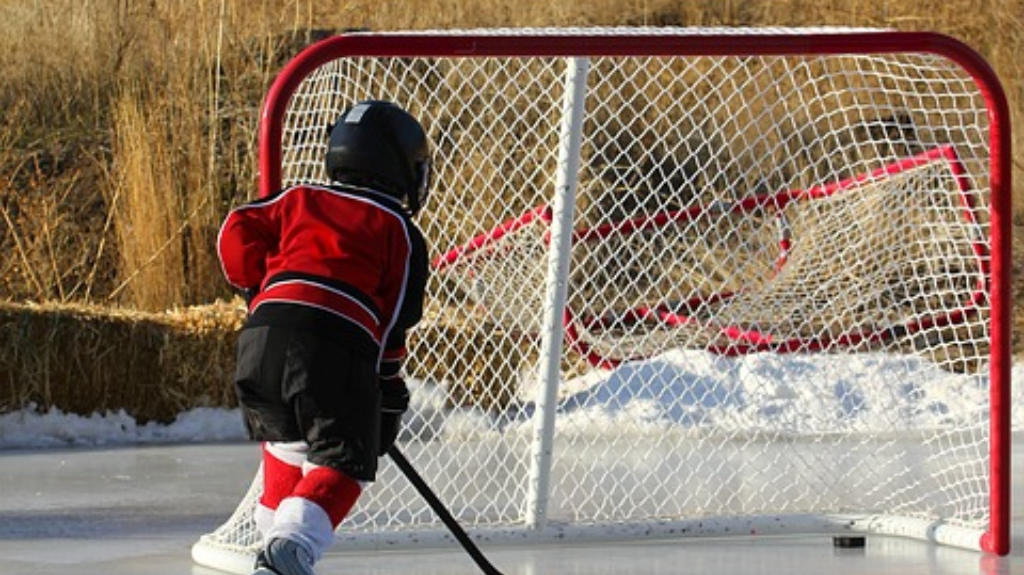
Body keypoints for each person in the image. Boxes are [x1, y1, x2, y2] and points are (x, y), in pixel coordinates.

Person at [216, 100, 431, 575]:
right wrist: (387, 395)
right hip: (334, 347)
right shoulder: (399, 229)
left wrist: (260, 288)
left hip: (260, 343)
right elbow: (392, 323)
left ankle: (271, 553)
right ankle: (291, 547)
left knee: (286, 444)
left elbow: (234, 229)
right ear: (403, 167)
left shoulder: (297, 197)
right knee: (344, 460)